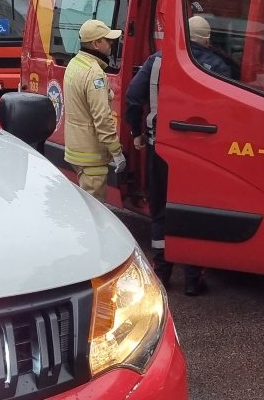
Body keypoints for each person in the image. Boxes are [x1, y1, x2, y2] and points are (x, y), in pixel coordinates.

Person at [125, 48, 208, 296]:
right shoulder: (213, 61)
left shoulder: (156, 61)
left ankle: (162, 271)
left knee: (161, 208)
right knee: (195, 212)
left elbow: (132, 96)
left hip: (159, 146)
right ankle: (193, 278)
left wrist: (136, 133)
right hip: (200, 152)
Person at [63, 19, 126, 201]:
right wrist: (117, 152)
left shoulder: (74, 64)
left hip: (76, 149)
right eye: (107, 40)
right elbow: (103, 119)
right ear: (95, 43)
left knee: (86, 204)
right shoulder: (95, 73)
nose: (111, 44)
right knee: (95, 212)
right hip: (92, 154)